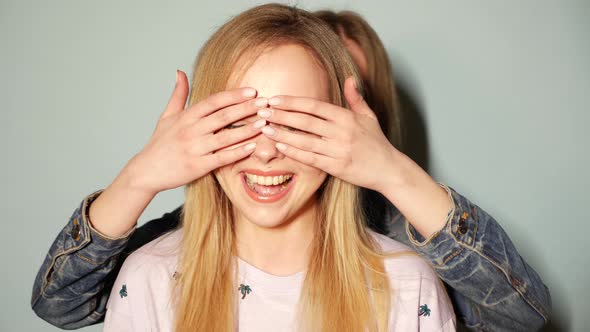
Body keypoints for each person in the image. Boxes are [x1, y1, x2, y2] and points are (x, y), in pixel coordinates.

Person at [30, 5, 551, 332]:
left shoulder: (404, 271)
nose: (267, 151)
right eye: (247, 119)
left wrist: (395, 172)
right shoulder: (157, 269)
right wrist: (141, 175)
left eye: (308, 120)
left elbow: (518, 313)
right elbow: (61, 305)